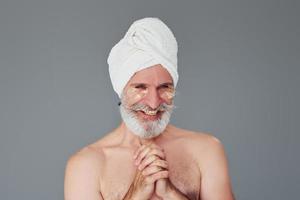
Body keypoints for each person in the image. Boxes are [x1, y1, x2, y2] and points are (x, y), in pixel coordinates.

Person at [64, 17, 235, 200]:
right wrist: (136, 194)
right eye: (140, 87)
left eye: (164, 87)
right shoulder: (86, 166)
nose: (153, 103)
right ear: (121, 89)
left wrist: (170, 193)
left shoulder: (205, 150)